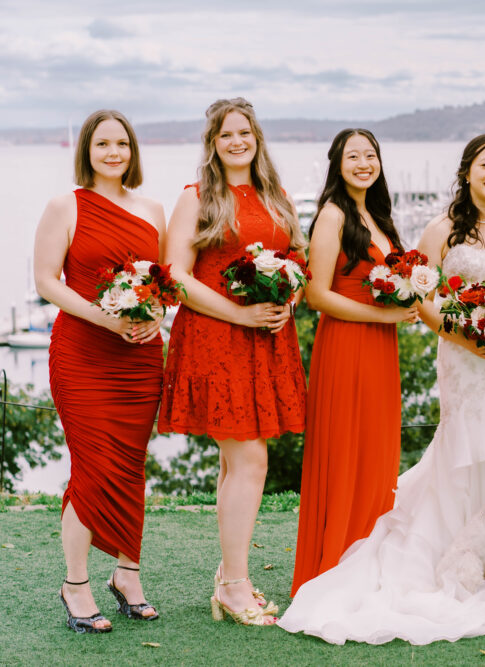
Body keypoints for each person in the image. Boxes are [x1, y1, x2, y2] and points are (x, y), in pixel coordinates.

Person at [279, 134, 485, 645]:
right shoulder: (439, 228)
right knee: (466, 450)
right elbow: (423, 297)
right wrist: (463, 335)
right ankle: (463, 557)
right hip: (465, 359)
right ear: (467, 169)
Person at [159, 97, 307, 626]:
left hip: (267, 340)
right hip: (218, 338)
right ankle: (235, 585)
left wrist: (286, 304)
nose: (237, 141)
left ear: (257, 137)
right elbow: (176, 274)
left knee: (235, 463)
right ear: (213, 143)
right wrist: (241, 317)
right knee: (251, 461)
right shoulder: (196, 197)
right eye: (226, 135)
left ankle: (229, 576)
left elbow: (297, 264)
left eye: (244, 132)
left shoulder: (277, 196)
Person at [34, 109, 164, 633]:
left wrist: (154, 316)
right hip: (83, 353)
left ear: (133, 152)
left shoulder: (153, 209)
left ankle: (127, 576)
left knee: (130, 465)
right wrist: (105, 319)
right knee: (92, 469)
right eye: (103, 144)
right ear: (86, 150)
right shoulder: (63, 206)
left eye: (122, 144)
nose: (113, 153)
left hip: (139, 359)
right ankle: (76, 586)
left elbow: (164, 282)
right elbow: (47, 281)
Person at [290, 129, 418, 597]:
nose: (363, 163)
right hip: (346, 344)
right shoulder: (333, 214)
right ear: (337, 164)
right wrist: (380, 315)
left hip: (380, 349)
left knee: (376, 448)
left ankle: (370, 551)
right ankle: (337, 557)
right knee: (347, 448)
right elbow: (316, 293)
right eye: (353, 156)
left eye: (370, 155)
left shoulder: (377, 214)